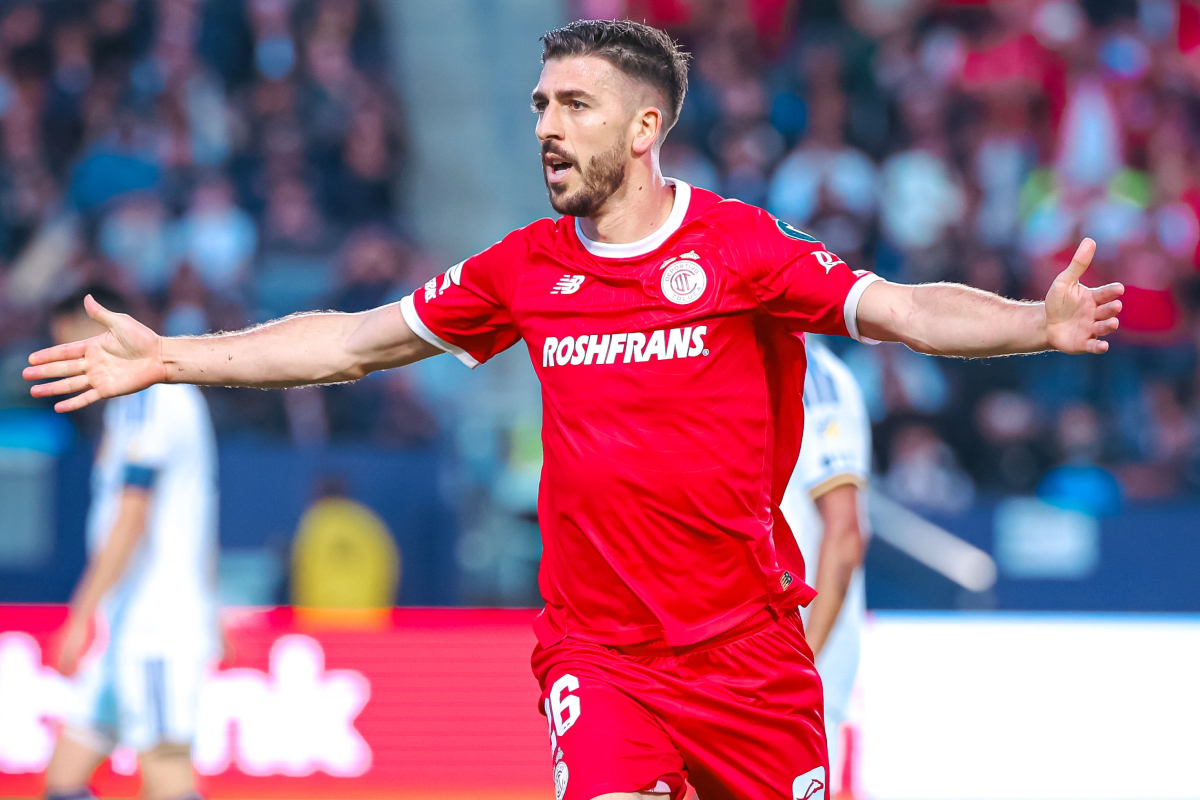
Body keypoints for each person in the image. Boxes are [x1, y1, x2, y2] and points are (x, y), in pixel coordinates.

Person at [25, 20, 1123, 800]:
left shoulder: (741, 248)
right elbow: (355, 340)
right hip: (602, 656)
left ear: (644, 127)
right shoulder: (524, 267)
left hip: (749, 656)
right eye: (541, 106)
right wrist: (170, 355)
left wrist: (1036, 322)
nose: (548, 126)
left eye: (574, 106)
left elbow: (907, 310)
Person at [40, 286, 219, 800]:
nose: (65, 363)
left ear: (98, 332)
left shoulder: (153, 395)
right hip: (126, 625)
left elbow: (132, 516)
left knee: (166, 772)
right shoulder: (131, 404)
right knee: (64, 779)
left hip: (156, 625)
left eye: (67, 346)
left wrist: (79, 616)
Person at [779, 336, 872, 798]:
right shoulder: (754, 363)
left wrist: (803, 661)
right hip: (756, 649)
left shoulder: (814, 378)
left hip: (796, 654)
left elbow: (846, 533)